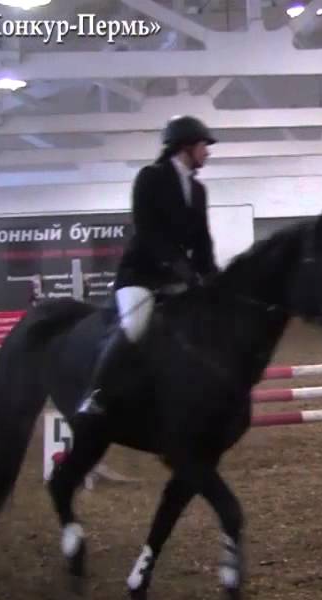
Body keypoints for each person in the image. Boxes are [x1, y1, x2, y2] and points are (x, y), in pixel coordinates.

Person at [74, 115, 220, 420]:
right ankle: (97, 394)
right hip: (140, 275)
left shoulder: (198, 190)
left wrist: (213, 277)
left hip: (179, 276)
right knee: (135, 325)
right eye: (203, 145)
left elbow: (202, 239)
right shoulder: (150, 178)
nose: (207, 152)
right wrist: (178, 265)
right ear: (185, 146)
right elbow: (147, 230)